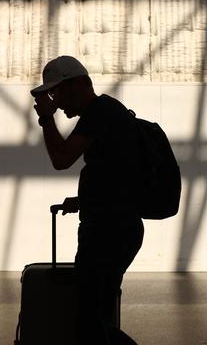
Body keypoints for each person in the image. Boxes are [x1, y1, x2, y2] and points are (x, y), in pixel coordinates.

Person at [31, 55, 143, 344]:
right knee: (97, 318)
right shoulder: (109, 113)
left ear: (77, 84)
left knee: (90, 322)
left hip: (109, 232)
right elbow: (116, 176)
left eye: (56, 92)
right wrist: (84, 200)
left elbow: (62, 159)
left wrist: (46, 118)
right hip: (116, 227)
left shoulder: (100, 112)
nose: (55, 100)